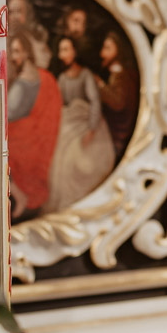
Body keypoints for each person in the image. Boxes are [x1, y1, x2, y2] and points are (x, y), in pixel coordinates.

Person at [45, 34, 114, 211]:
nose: (63, 54)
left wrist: (91, 129)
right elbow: (59, 103)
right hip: (69, 122)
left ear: (75, 51)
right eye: (61, 50)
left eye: (66, 49)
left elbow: (95, 102)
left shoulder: (85, 75)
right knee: (61, 158)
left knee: (83, 160)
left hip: (88, 123)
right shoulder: (62, 78)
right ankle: (64, 201)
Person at [6, 33, 61, 218]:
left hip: (23, 138)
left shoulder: (21, 84)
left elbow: (8, 115)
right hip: (35, 137)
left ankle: (19, 195)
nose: (13, 57)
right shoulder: (43, 76)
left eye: (16, 52)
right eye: (11, 52)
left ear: (27, 53)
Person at [96, 28, 137, 156]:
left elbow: (118, 103)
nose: (102, 54)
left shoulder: (120, 74)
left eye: (107, 48)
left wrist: (100, 86)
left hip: (119, 135)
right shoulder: (118, 73)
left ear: (118, 50)